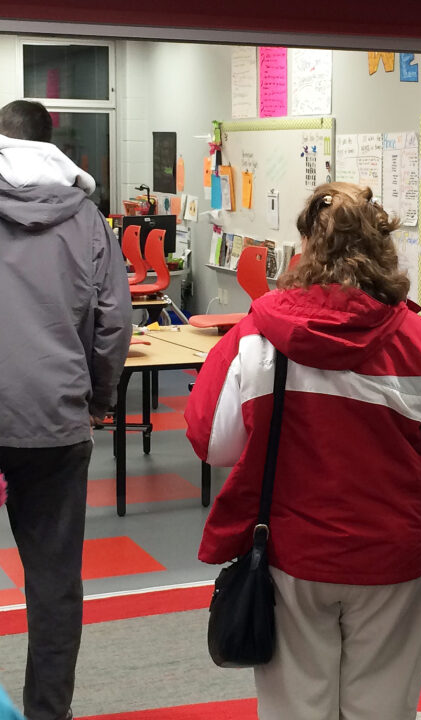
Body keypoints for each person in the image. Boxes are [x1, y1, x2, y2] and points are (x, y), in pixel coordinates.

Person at [185, 182, 421, 720]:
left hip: (295, 554)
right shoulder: (419, 339)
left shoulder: (258, 336)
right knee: (383, 705)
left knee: (296, 707)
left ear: (304, 246)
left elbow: (214, 443)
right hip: (395, 553)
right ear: (386, 246)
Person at [0, 100, 131, 720]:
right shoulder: (88, 222)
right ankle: (48, 713)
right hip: (55, 418)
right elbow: (113, 323)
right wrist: (98, 400)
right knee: (54, 584)